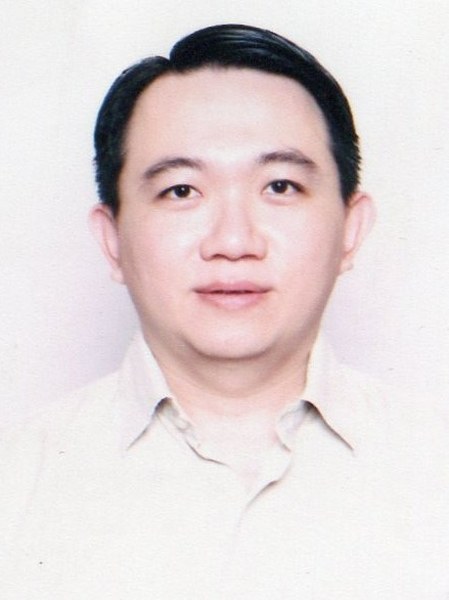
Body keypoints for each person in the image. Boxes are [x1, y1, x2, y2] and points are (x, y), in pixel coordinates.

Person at [1, 23, 448, 599]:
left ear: (350, 231)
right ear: (112, 240)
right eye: (182, 191)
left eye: (280, 186)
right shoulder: (17, 483)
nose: (233, 241)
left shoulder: (433, 463)